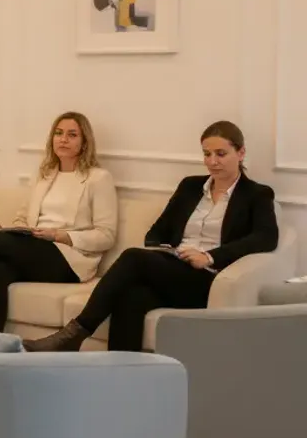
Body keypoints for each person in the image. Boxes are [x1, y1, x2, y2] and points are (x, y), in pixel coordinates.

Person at [25, 121, 278, 352]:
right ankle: (121, 378)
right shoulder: (190, 186)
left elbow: (266, 238)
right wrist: (170, 251)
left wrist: (209, 257)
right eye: (207, 154)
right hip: (174, 267)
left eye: (221, 154)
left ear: (241, 153)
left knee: (133, 258)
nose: (212, 161)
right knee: (131, 297)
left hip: (207, 279)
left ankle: (75, 333)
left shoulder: (256, 194)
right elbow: (156, 232)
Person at [0, 112, 118, 332]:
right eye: (58, 133)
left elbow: (106, 235)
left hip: (70, 259)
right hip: (37, 246)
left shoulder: (98, 178)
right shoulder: (45, 174)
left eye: (72, 135)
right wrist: (19, 229)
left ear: (84, 142)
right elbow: (23, 216)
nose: (63, 139)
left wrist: (59, 235)